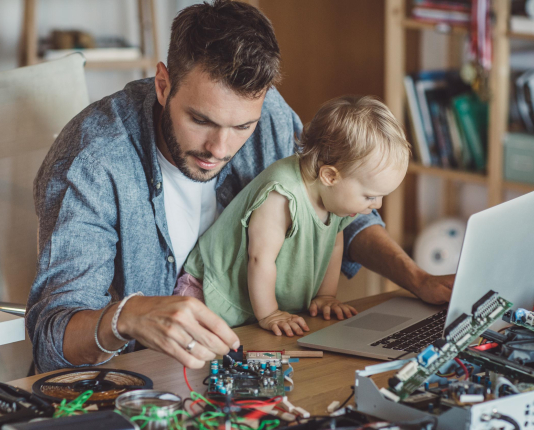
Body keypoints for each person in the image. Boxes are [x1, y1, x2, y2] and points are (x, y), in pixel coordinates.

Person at [27, 0, 454, 374]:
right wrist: (127, 316)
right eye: (201, 120)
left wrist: (417, 279)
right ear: (163, 85)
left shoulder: (271, 115)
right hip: (134, 383)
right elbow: (51, 340)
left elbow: (341, 209)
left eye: (241, 126)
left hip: (245, 361)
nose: (219, 147)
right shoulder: (96, 160)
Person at [176, 96, 409, 337]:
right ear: (330, 176)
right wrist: (269, 314)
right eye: (370, 196)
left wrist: (325, 296)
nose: (376, 205)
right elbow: (260, 259)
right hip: (209, 293)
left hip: (250, 301)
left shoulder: (338, 201)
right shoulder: (282, 195)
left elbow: (335, 244)